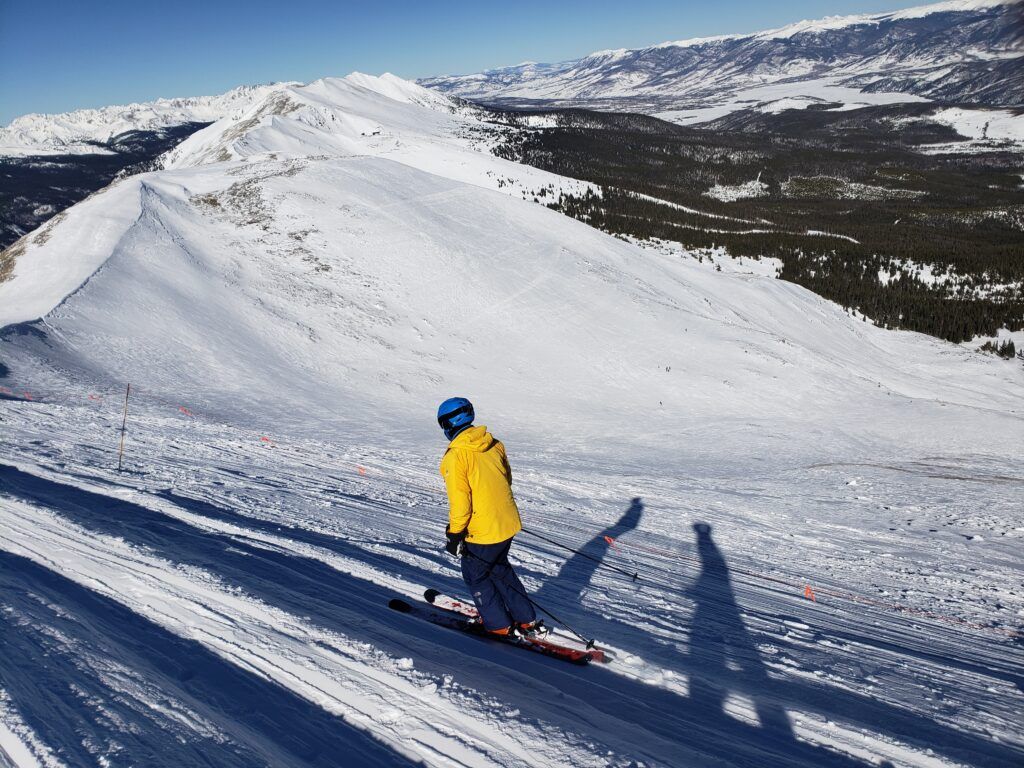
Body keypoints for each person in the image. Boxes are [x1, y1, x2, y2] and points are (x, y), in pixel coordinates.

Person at [437, 397, 546, 638]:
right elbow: (506, 480)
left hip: (483, 531)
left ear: (448, 424)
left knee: (476, 575)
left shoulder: (456, 456)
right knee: (499, 568)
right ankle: (525, 619)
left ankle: (498, 625)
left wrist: (455, 534)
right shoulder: (494, 444)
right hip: (506, 523)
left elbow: (460, 502)